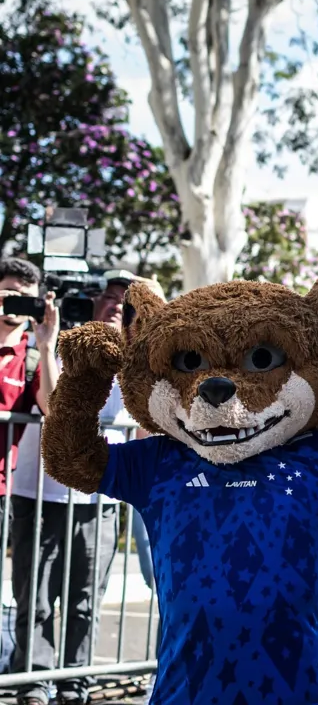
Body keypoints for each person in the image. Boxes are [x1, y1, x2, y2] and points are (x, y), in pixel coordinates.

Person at [8, 272, 140, 705]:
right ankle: (34, 682)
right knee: (36, 597)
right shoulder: (64, 345)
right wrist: (47, 344)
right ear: (94, 302)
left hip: (98, 497)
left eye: (127, 300)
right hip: (39, 492)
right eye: (109, 296)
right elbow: (50, 404)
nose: (116, 304)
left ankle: (74, 682)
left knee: (85, 600)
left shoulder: (140, 363)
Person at [0, 258, 59, 498]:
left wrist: (47, 345)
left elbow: (53, 409)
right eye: (11, 293)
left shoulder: (31, 360)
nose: (16, 302)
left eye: (25, 298)